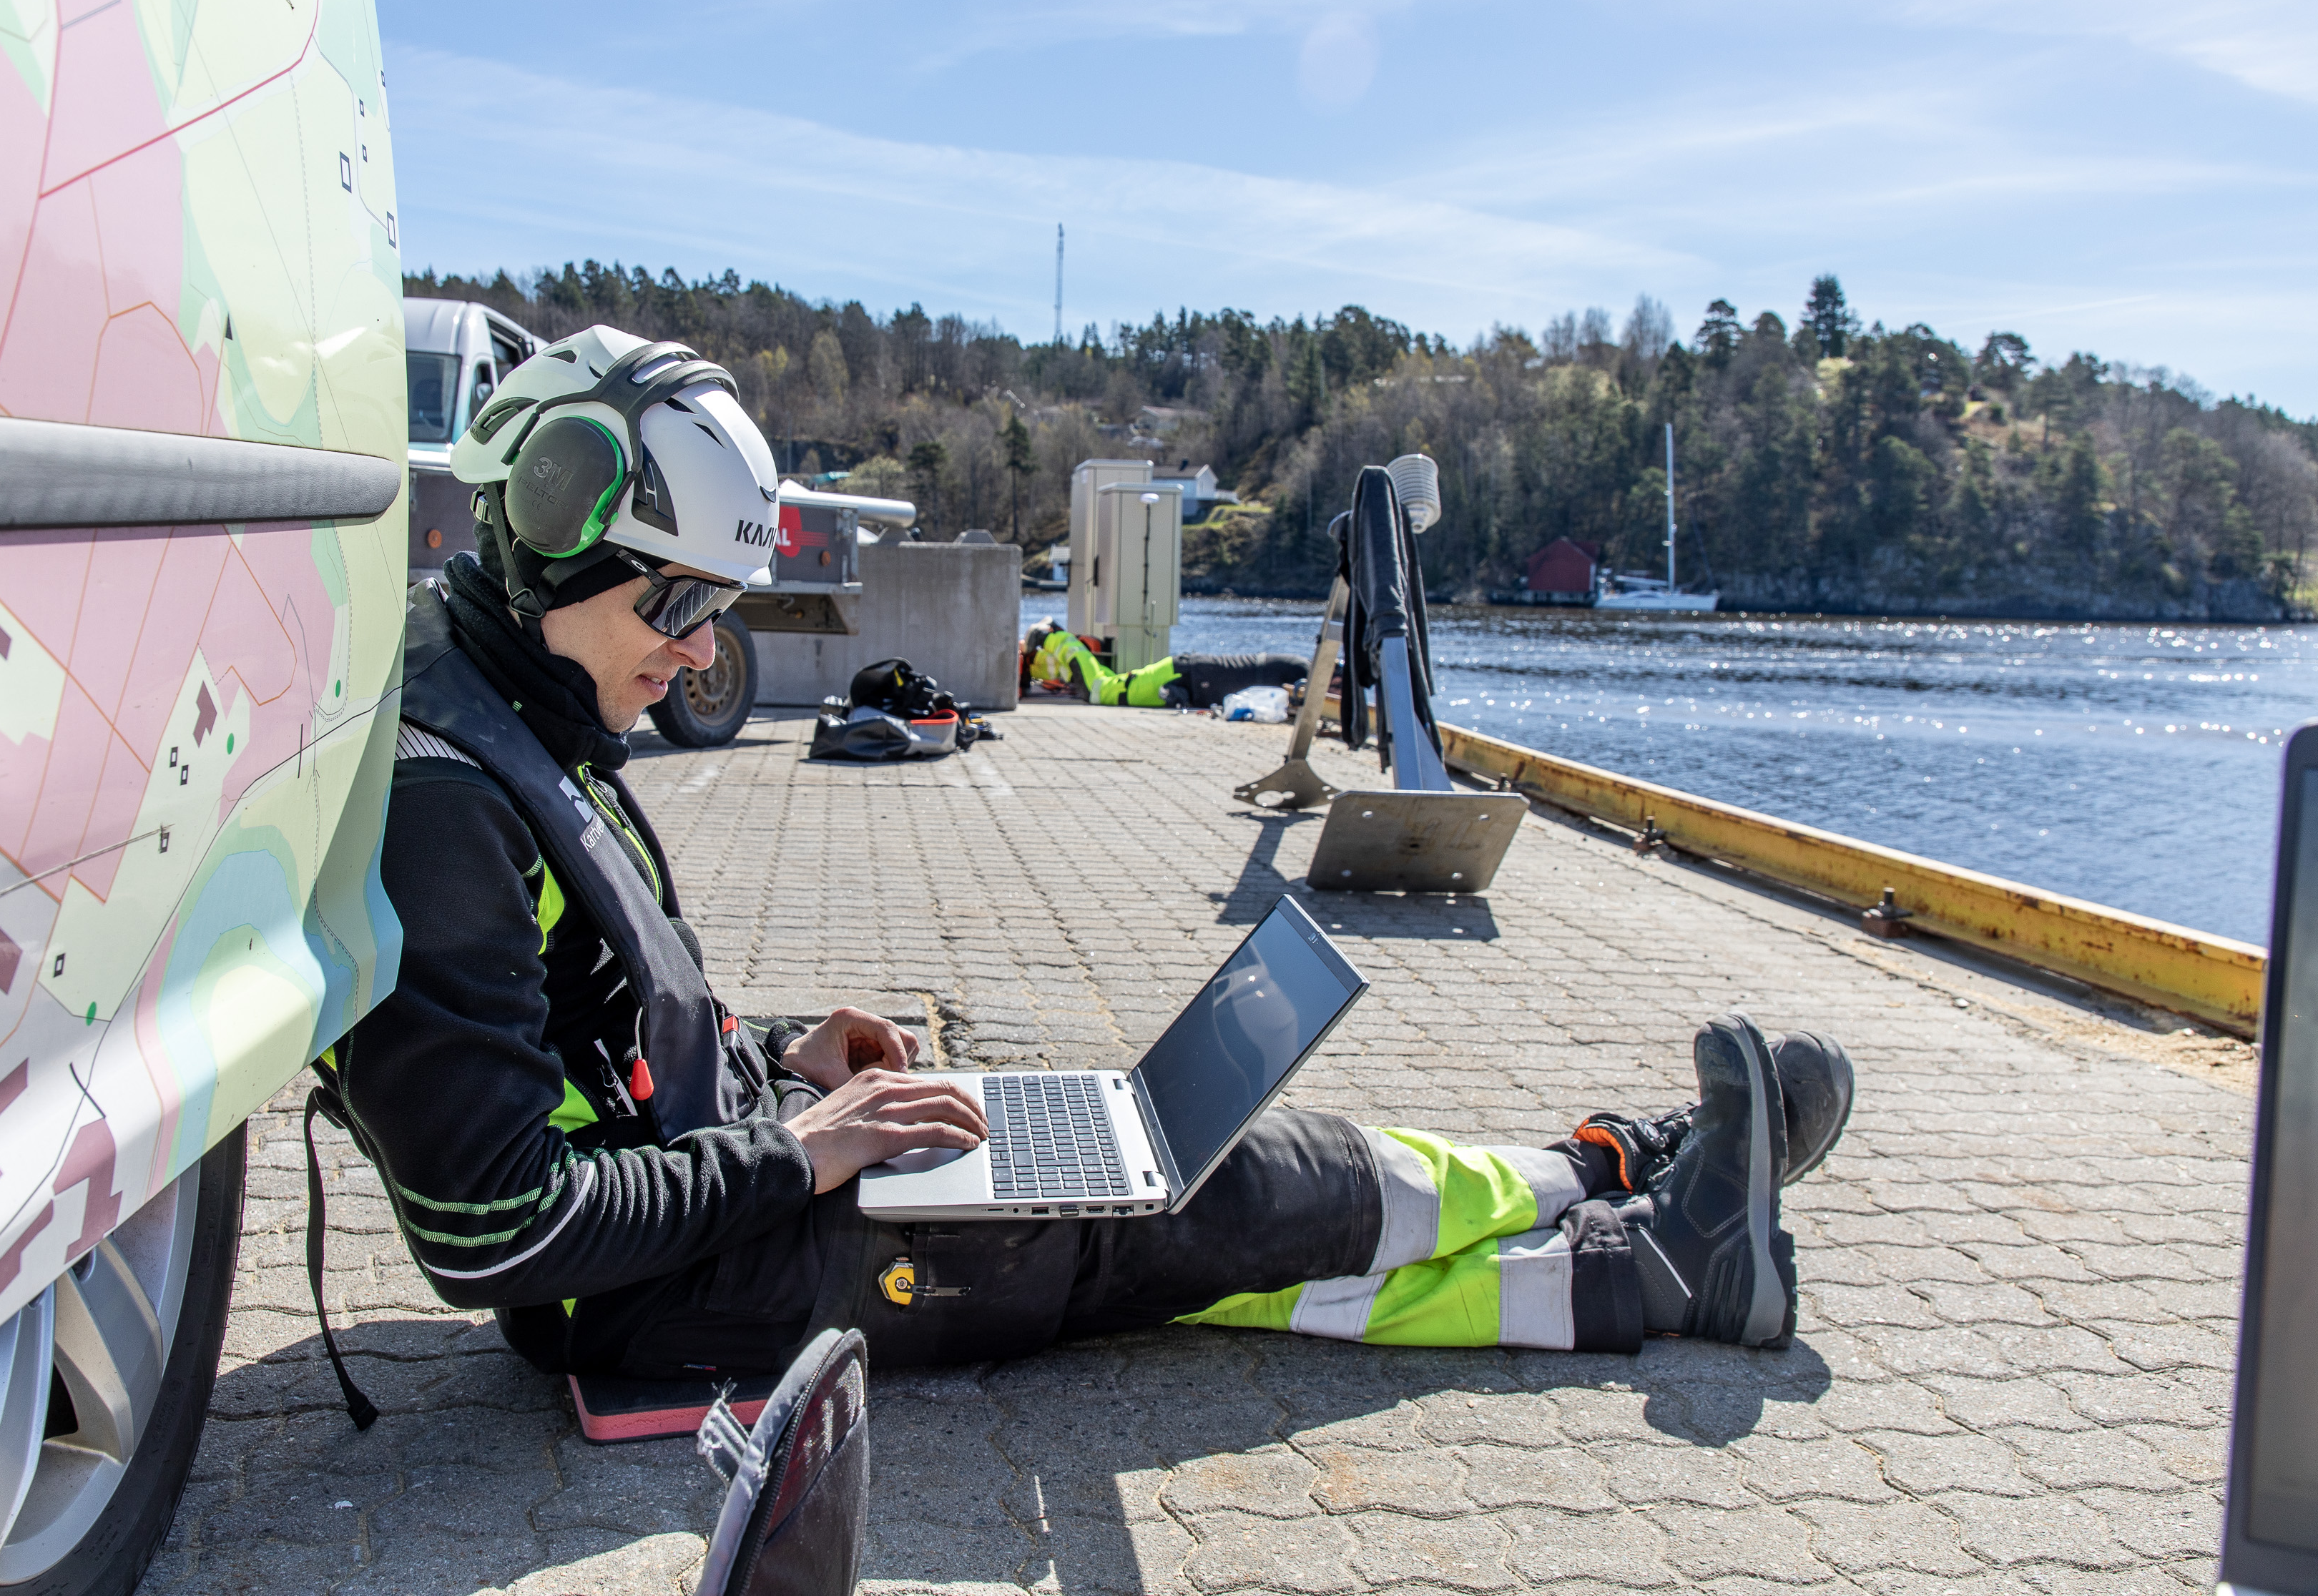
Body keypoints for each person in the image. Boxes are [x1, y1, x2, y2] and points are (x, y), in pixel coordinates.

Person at [312, 328, 1854, 1405]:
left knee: (1173, 1208)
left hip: (719, 1199)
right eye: (678, 607)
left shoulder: (504, 698)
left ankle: (1643, 1243)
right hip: (667, 1289)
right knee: (1218, 1196)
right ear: (552, 532)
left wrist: (779, 1054)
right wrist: (807, 1148)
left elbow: (572, 1031)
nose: (702, 650)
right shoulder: (445, 802)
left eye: (717, 608)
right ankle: (1612, 1187)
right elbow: (491, 1231)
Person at [1023, 620, 1310, 711]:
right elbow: (1097, 688)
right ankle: (1052, 638)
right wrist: (1054, 639)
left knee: (1104, 684)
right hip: (1186, 675)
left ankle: (1048, 648)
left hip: (1187, 673)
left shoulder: (1296, 669)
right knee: (1100, 689)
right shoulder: (1297, 670)